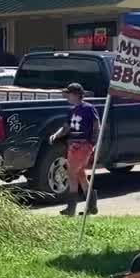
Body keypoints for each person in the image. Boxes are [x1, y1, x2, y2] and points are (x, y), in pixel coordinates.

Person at [49, 82, 99, 216]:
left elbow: (96, 125)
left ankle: (71, 208)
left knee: (71, 173)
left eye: (69, 93)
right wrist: (56, 134)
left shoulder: (88, 108)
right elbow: (66, 127)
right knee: (80, 174)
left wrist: (92, 143)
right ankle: (91, 205)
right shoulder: (71, 110)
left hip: (83, 145)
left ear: (77, 95)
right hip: (73, 145)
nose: (67, 96)